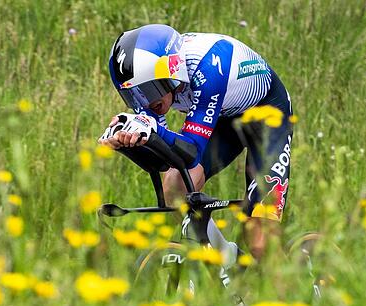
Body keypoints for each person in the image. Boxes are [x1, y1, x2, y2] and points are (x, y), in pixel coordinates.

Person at [98, 24, 293, 262]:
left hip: (268, 117)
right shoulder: (158, 85)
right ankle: (229, 266)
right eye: (133, 95)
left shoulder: (209, 67)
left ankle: (300, 293)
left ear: (173, 72)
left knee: (260, 240)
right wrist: (128, 142)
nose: (145, 103)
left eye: (148, 90)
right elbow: (163, 161)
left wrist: (152, 129)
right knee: (175, 184)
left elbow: (191, 152)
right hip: (221, 117)